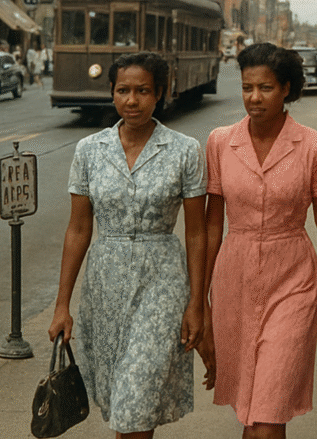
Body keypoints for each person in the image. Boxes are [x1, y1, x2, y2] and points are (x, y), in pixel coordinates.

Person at [48, 52, 206, 437]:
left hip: (162, 283)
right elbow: (79, 229)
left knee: (136, 401)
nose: (132, 100)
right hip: (106, 284)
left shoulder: (185, 150)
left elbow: (197, 232)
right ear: (112, 93)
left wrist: (196, 303)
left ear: (161, 94)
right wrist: (62, 305)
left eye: (143, 91)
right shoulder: (90, 150)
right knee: (121, 401)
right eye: (123, 90)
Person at [201, 42, 317, 437]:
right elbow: (212, 227)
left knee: (268, 410)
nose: (254, 98)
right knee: (250, 408)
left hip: (293, 279)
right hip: (235, 278)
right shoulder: (220, 142)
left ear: (286, 89)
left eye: (265, 88)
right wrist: (200, 300)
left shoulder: (315, 146)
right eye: (247, 88)